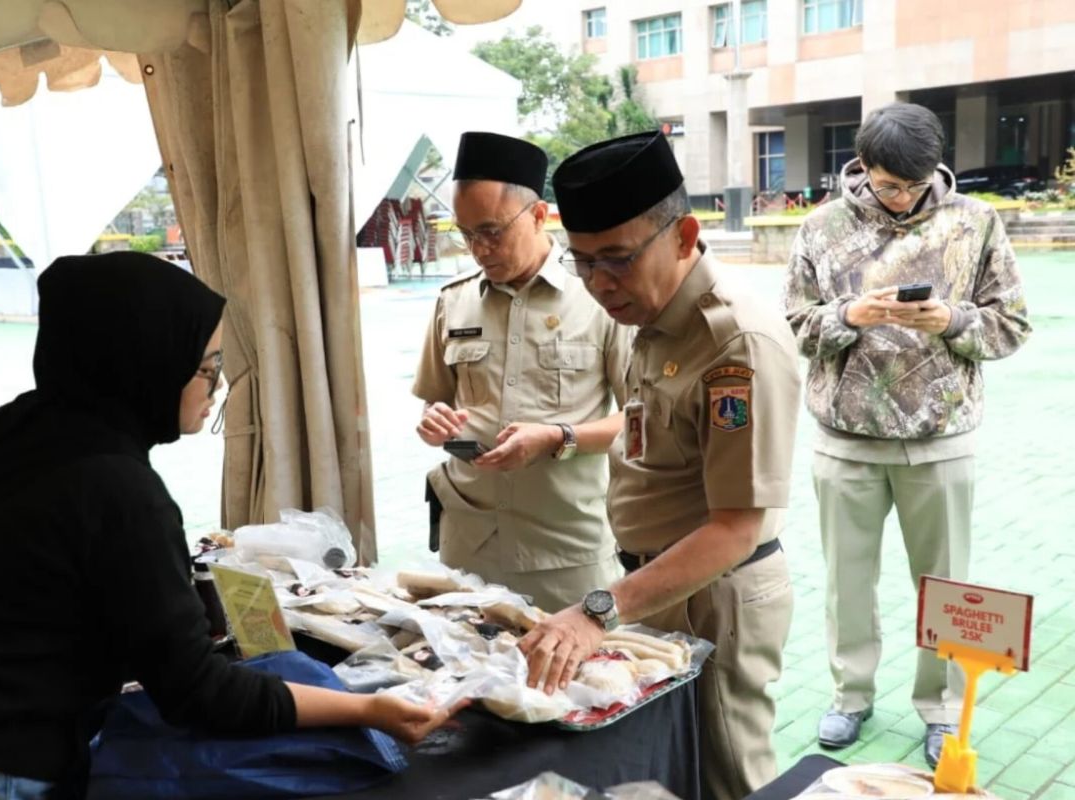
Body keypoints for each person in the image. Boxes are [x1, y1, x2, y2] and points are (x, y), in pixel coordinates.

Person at [0, 252, 463, 799]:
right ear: (146, 360)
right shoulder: (118, 489)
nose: (217, 385)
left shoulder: (8, 428)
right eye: (208, 366)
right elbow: (198, 694)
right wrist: (369, 711)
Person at [517, 131, 802, 800]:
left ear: (683, 235)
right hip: (655, 588)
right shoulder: (648, 316)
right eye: (582, 262)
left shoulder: (735, 342)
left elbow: (735, 527)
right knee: (669, 769)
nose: (598, 284)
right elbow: (650, 436)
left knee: (730, 776)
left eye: (616, 258)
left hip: (716, 597)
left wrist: (595, 610)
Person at [781, 102, 1030, 766]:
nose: (902, 197)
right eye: (890, 184)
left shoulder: (975, 223)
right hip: (846, 438)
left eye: (915, 185)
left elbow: (1012, 324)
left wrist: (949, 319)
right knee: (847, 582)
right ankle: (850, 696)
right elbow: (797, 325)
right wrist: (848, 315)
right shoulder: (822, 227)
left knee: (945, 582)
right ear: (863, 166)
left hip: (941, 436)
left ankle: (942, 708)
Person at [413, 131, 632, 612]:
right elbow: (438, 401)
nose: (479, 249)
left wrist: (557, 437)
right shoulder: (454, 300)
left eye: (492, 231)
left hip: (565, 549)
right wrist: (436, 422)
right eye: (466, 234)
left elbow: (642, 417)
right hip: (468, 543)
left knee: (578, 679)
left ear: (538, 215)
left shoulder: (599, 297)